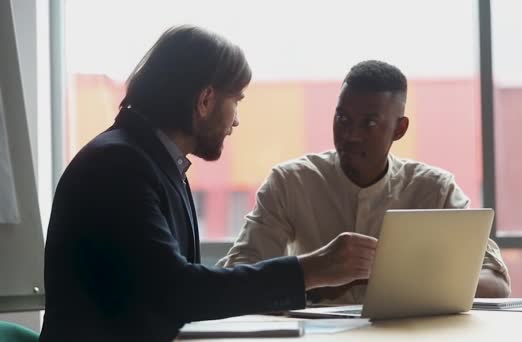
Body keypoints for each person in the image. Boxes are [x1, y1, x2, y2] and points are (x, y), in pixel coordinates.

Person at [39, 25, 378, 342]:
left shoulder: (151, 162)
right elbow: (179, 292)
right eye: (237, 101)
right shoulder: (118, 166)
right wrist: (310, 270)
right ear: (205, 100)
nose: (237, 120)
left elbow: (170, 289)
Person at [219, 60, 511, 304]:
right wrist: (312, 273)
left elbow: (496, 284)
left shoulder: (435, 190)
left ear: (400, 128)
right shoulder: (290, 182)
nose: (351, 135)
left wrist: (398, 276)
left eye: (369, 123)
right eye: (343, 118)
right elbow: (237, 273)